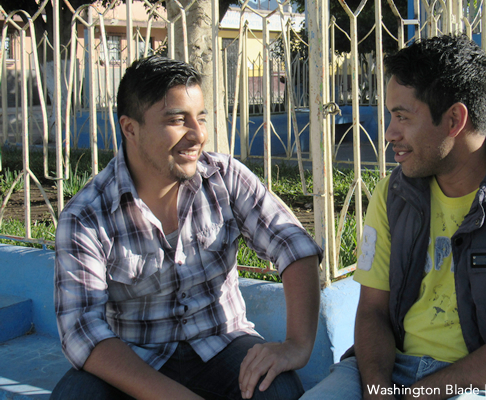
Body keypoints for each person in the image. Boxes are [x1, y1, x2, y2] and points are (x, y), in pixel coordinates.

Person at [301, 34, 486, 400]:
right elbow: (371, 311)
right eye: (389, 117)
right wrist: (377, 390)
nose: (388, 134)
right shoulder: (392, 195)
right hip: (390, 368)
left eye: (402, 117)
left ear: (454, 120)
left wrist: (419, 396)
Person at [52, 55, 322, 400]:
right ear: (130, 128)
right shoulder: (87, 215)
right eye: (178, 120)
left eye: (201, 117)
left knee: (278, 390)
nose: (197, 135)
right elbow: (81, 330)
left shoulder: (225, 177)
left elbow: (294, 247)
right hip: (134, 356)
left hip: (223, 344)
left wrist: (296, 346)